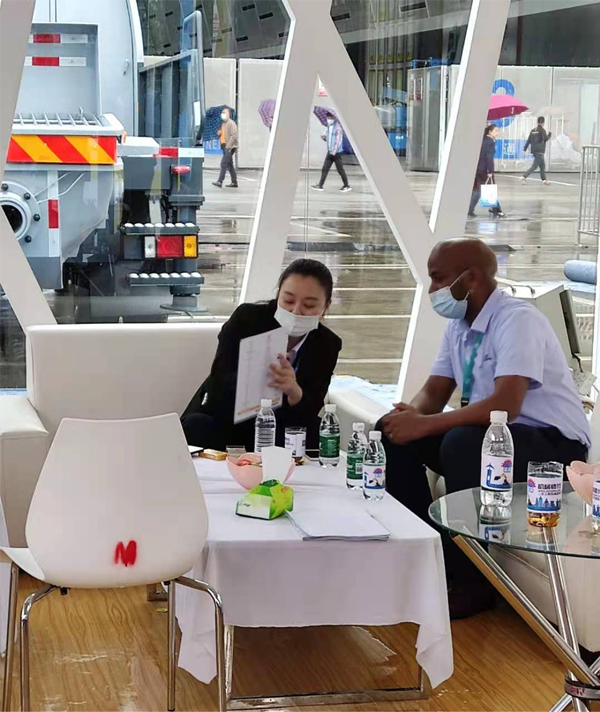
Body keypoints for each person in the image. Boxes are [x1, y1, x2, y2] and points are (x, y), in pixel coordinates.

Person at [377, 238, 590, 617]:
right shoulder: (458, 326)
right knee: (391, 435)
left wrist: (424, 424)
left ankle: (473, 583)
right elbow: (434, 392)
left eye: (438, 278)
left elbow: (505, 405)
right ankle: (429, 556)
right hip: (494, 437)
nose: (432, 289)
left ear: (470, 278)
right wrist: (407, 419)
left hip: (553, 449)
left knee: (462, 444)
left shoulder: (517, 320)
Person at [182, 259, 342, 451]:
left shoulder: (327, 344)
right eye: (288, 301)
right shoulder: (247, 319)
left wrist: (294, 391)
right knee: (197, 426)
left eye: (309, 305)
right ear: (278, 295)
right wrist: (257, 374)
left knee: (316, 432)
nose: (296, 311)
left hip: (278, 424)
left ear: (325, 307)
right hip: (228, 417)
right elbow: (219, 381)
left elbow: (312, 406)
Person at [468, 124, 505, 218]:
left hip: (480, 168)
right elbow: (489, 158)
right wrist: (490, 171)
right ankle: (497, 210)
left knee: (480, 190)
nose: (497, 132)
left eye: (498, 130)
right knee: (487, 189)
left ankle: (470, 209)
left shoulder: (484, 140)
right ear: (490, 131)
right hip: (485, 170)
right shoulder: (490, 142)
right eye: (495, 130)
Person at [312, 112, 351, 193]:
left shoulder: (338, 128)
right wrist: (324, 138)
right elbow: (329, 140)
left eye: (330, 118)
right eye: (328, 118)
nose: (329, 119)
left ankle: (346, 185)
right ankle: (320, 185)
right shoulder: (328, 127)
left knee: (340, 169)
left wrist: (334, 151)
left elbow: (338, 141)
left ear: (334, 118)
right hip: (330, 151)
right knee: (325, 169)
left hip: (336, 153)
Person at [212, 107, 239, 189]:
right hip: (224, 145)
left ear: (228, 114)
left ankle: (220, 181)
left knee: (224, 163)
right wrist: (219, 134)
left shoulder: (231, 123)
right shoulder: (223, 124)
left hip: (229, 147)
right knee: (229, 164)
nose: (223, 114)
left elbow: (234, 136)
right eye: (222, 113)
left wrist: (228, 146)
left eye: (224, 113)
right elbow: (224, 135)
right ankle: (234, 182)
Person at [521, 116, 552, 185]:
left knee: (542, 166)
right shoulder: (542, 130)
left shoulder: (533, 130)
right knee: (534, 166)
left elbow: (529, 140)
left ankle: (544, 180)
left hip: (534, 150)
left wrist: (524, 149)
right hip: (540, 151)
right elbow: (545, 139)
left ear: (537, 122)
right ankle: (524, 177)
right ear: (543, 122)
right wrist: (550, 134)